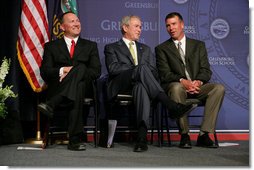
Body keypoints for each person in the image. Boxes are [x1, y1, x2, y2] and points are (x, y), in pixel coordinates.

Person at [104, 15, 195, 152]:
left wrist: (141, 73)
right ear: (125, 27)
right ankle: (170, 104)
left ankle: (141, 138)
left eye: (140, 27)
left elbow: (154, 72)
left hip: (142, 86)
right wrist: (137, 70)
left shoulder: (145, 49)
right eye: (136, 26)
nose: (140, 30)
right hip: (121, 85)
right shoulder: (111, 47)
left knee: (141, 87)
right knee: (141, 68)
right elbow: (113, 68)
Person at [155, 12, 225, 148]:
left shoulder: (198, 45)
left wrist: (198, 81)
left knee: (218, 88)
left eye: (174, 24)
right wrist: (183, 81)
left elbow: (206, 70)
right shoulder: (161, 49)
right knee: (176, 88)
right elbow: (165, 74)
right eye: (168, 26)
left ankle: (204, 134)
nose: (171, 28)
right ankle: (184, 135)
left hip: (197, 87)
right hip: (178, 87)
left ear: (182, 25)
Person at [37, 11, 101, 151]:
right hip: (59, 86)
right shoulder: (51, 46)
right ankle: (74, 139)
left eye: (77, 20)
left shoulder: (90, 46)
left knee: (81, 70)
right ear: (62, 27)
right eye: (72, 21)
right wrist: (62, 70)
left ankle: (52, 103)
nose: (76, 23)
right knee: (78, 84)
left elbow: (96, 71)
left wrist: (74, 72)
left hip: (85, 89)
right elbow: (45, 72)